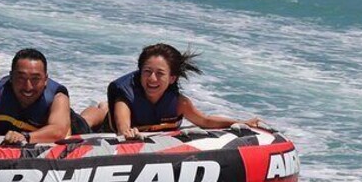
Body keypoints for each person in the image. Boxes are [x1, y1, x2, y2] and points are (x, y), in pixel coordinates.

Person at [81, 43, 261, 139]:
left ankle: (103, 107)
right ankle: (101, 109)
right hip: (105, 127)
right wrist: (128, 133)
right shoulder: (126, 96)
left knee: (103, 109)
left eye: (160, 74)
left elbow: (204, 120)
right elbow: (123, 127)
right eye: (147, 72)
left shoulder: (179, 103)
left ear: (172, 78)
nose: (152, 79)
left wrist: (240, 122)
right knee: (86, 122)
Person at [0, 48, 74, 145]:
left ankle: (93, 114)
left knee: (87, 120)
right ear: (11, 77)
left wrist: (25, 137)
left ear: (45, 80)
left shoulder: (57, 97)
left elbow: (58, 131)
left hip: (72, 123)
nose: (28, 87)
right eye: (21, 78)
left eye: (35, 79)